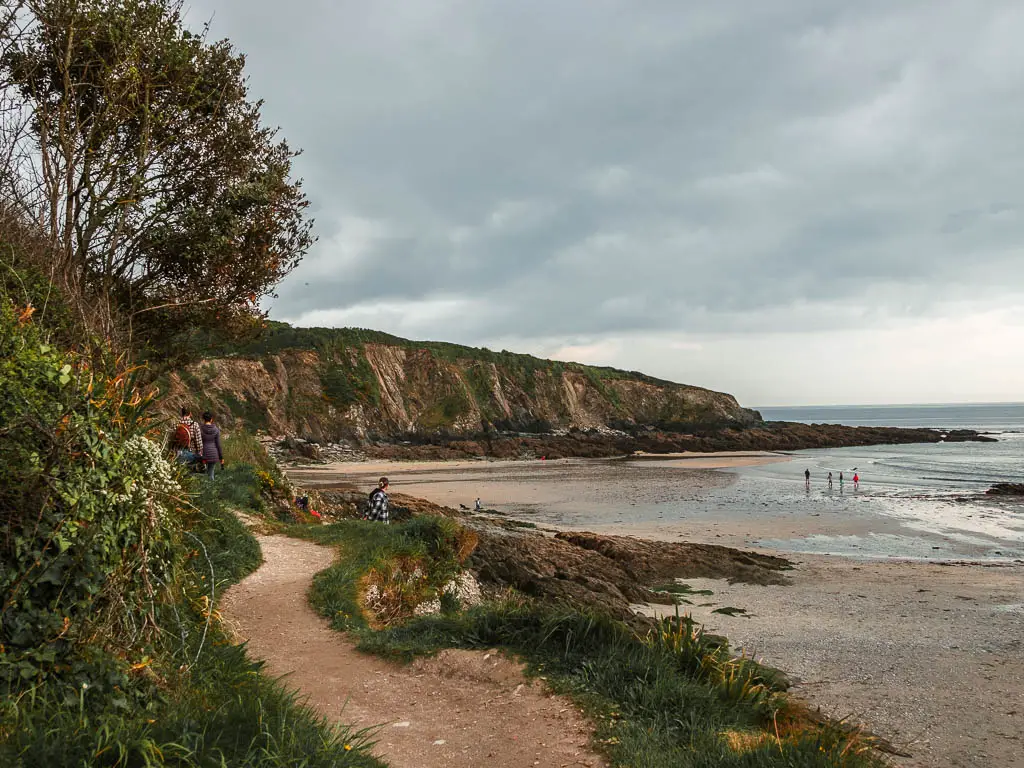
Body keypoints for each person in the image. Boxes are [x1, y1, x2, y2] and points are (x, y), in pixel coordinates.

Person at [200, 411, 223, 480]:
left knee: (203, 474)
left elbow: (198, 442)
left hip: (204, 454)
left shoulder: (200, 429)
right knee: (211, 473)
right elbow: (218, 444)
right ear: (211, 419)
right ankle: (211, 488)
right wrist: (221, 457)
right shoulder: (216, 430)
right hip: (213, 454)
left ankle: (204, 488)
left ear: (203, 419)